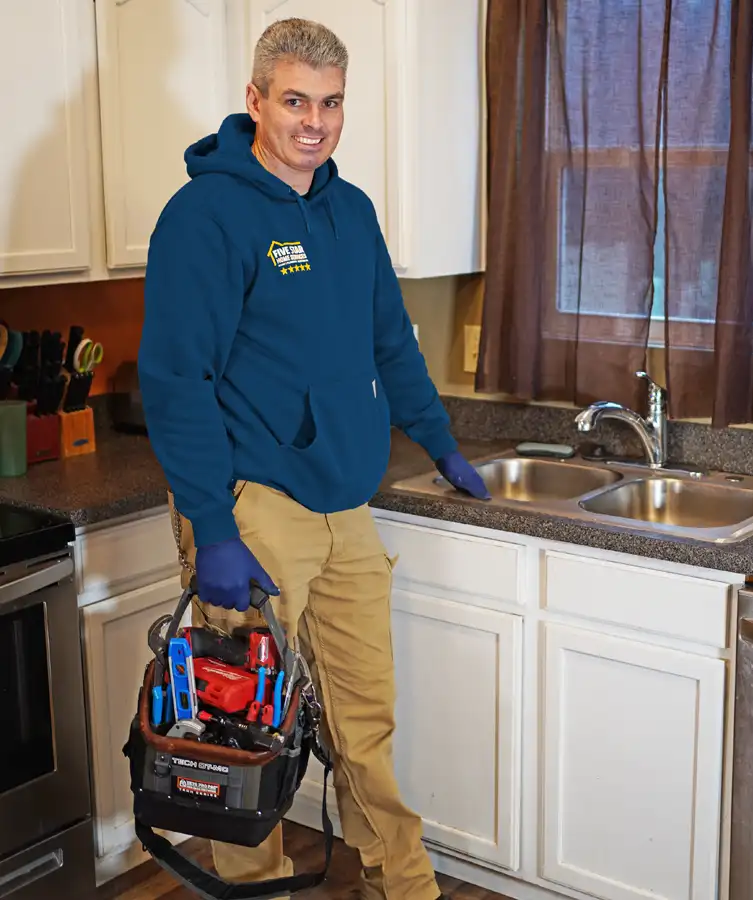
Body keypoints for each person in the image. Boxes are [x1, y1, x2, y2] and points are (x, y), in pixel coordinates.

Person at [138, 16, 490, 900]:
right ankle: (247, 888)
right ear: (255, 100)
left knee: (365, 723)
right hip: (253, 505)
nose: (315, 121)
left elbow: (390, 342)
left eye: (330, 103)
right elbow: (177, 381)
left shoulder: (349, 209)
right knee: (238, 730)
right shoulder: (204, 216)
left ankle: (402, 884)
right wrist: (212, 528)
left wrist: (438, 439)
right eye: (295, 100)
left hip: (346, 506)